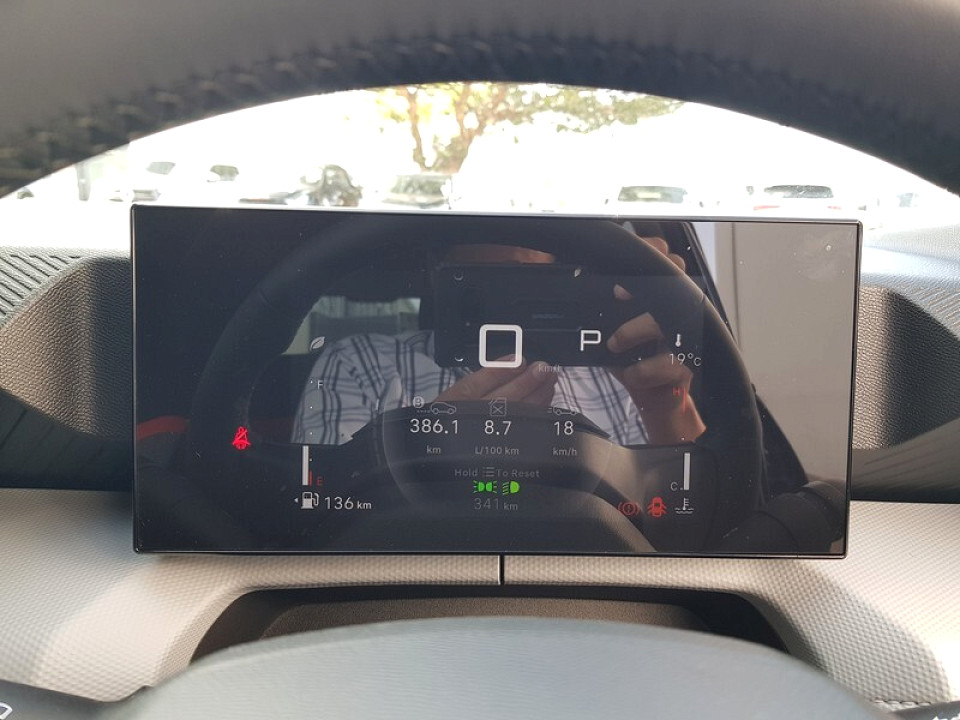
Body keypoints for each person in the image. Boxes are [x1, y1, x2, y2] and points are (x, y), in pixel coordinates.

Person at [291, 238, 705, 447]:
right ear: (438, 274)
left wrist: (668, 407)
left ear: (562, 272)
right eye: (482, 288)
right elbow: (328, 520)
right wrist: (434, 443)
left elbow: (683, 512)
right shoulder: (359, 362)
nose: (505, 311)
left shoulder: (615, 365)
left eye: (527, 285)